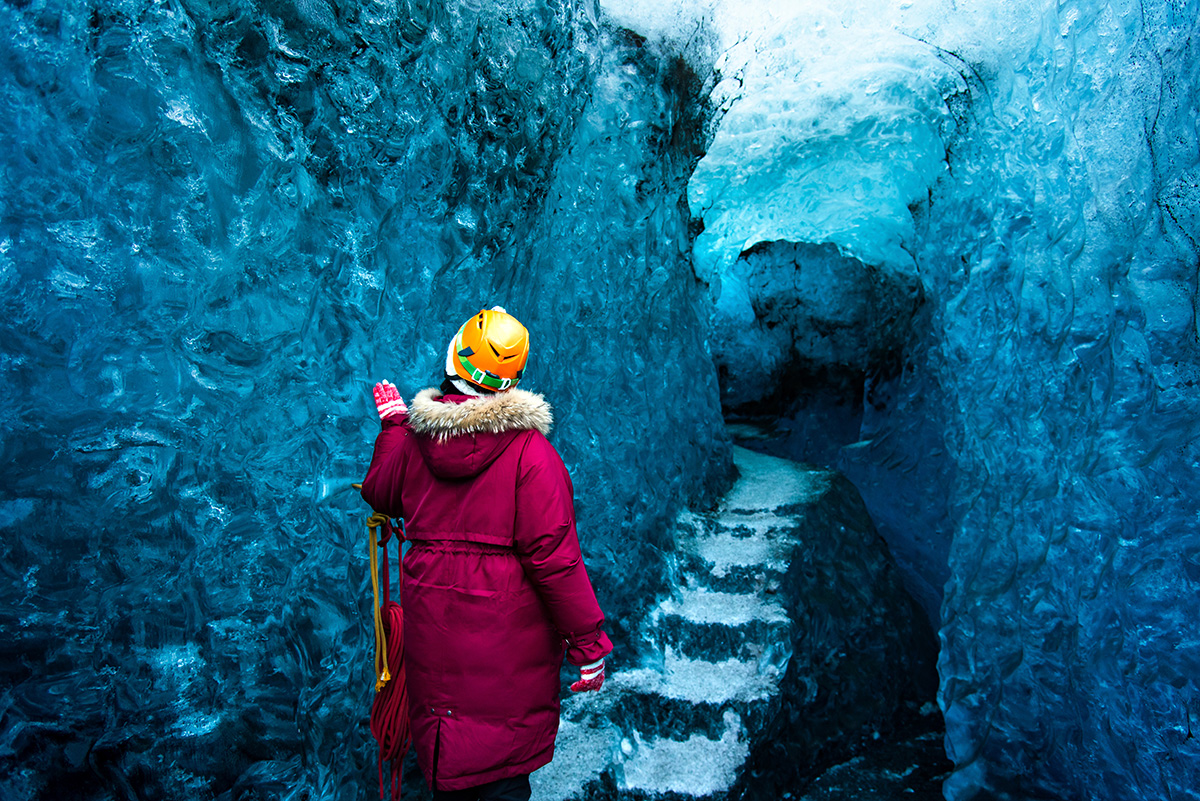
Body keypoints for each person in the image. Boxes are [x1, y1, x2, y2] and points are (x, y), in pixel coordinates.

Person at [360, 307, 613, 801]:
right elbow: (556, 561)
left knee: (451, 767)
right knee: (500, 777)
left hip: (437, 667)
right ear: (512, 381)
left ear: (455, 357)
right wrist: (588, 646)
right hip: (506, 668)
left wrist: (394, 426)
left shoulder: (415, 444)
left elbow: (381, 492)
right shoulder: (532, 456)